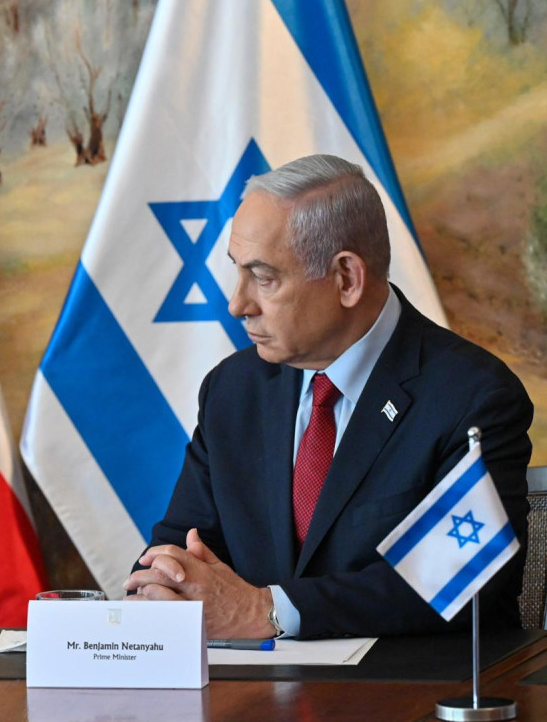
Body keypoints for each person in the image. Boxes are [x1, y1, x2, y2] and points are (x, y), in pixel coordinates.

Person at [123, 155, 532, 640]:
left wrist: (267, 611)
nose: (238, 304)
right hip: (255, 702)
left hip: (409, 699)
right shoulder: (233, 391)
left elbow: (457, 579)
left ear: (346, 279)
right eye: (238, 272)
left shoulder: (472, 395)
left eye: (264, 277)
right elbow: (182, 546)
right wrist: (163, 586)